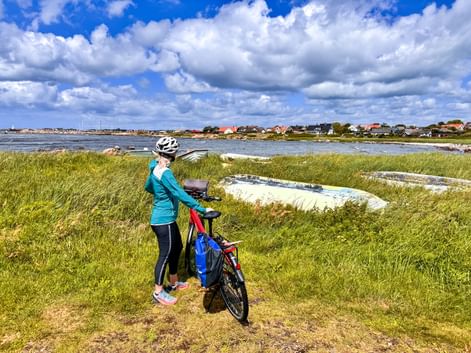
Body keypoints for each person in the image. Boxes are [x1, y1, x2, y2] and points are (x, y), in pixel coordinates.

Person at [144, 136, 212, 305]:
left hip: (166, 219)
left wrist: (160, 193)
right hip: (163, 220)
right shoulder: (165, 172)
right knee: (165, 254)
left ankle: (174, 282)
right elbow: (180, 193)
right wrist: (202, 209)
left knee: (177, 248)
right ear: (172, 153)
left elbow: (148, 187)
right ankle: (158, 293)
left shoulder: (154, 166)